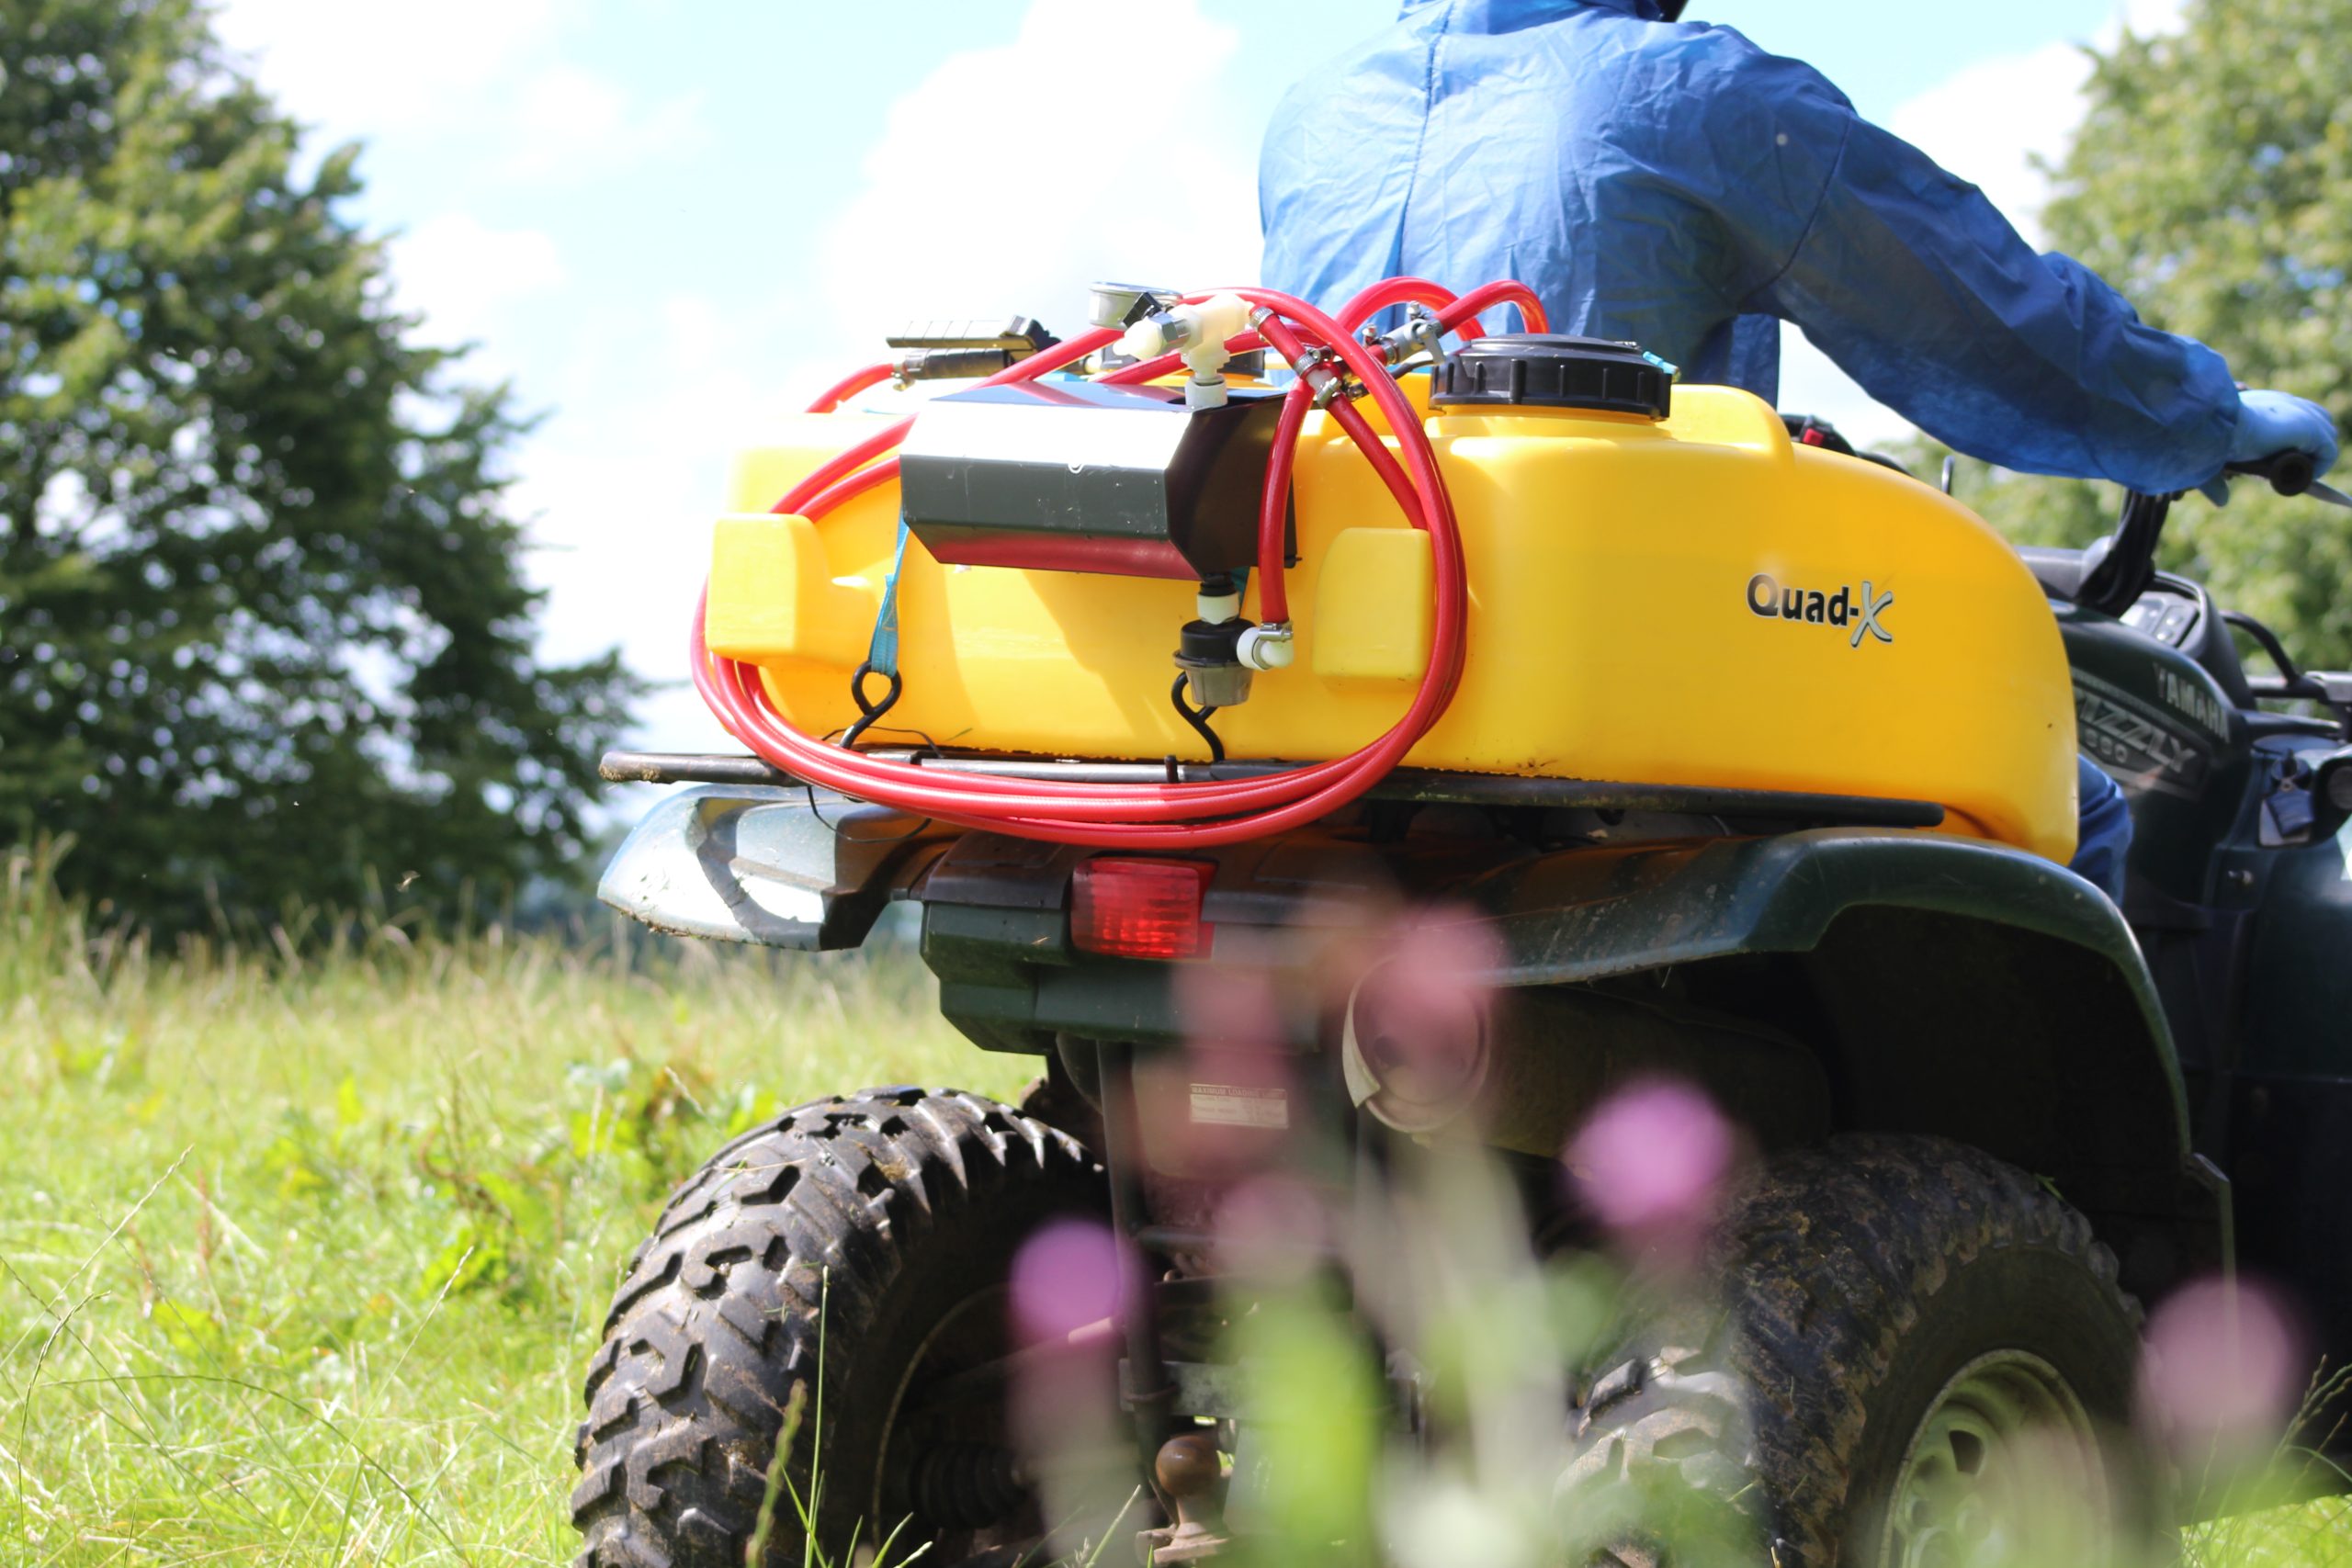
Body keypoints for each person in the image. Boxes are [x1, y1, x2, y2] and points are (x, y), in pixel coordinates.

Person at [1258, 0, 2341, 904]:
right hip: (1601, 668)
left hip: (1325, 694)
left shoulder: (1318, 108)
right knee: (2079, 804)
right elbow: (1986, 319)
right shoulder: (1686, 91)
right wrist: (2204, 421)